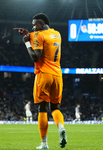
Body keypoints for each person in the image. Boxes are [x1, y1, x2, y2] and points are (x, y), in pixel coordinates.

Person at [14, 13, 67, 149]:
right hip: (57, 75)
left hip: (44, 75)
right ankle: (61, 127)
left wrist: (27, 42)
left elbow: (35, 57)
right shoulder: (57, 34)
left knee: (42, 109)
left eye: (34, 25)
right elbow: (44, 38)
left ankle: (44, 144)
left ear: (41, 24)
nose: (33, 28)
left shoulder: (39, 35)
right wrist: (29, 34)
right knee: (55, 108)